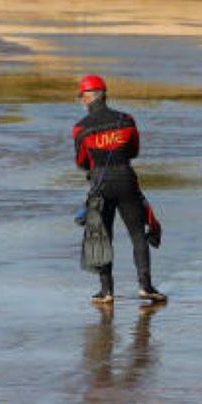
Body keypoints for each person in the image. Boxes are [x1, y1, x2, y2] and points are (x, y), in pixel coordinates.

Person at [72, 75, 166, 304]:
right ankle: (146, 286)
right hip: (126, 179)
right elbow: (133, 150)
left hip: (99, 184)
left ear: (86, 98)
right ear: (105, 95)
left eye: (82, 97)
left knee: (103, 236)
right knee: (137, 234)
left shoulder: (80, 129)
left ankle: (106, 292)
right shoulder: (126, 120)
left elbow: (82, 161)